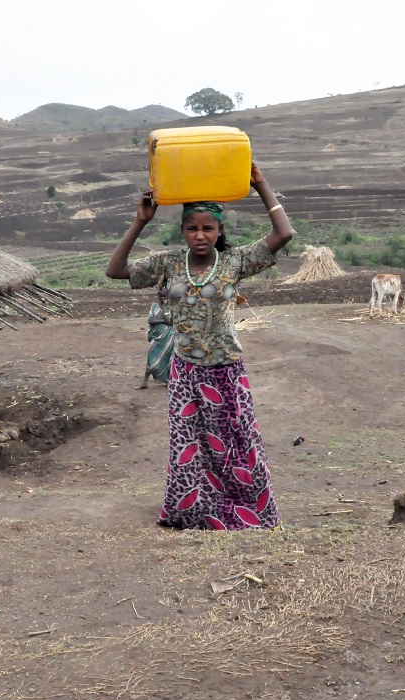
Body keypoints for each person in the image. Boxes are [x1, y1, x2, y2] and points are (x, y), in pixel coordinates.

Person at [105, 163, 295, 530]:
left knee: (237, 444)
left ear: (220, 230)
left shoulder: (235, 262)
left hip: (226, 371)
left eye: (208, 228)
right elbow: (115, 271)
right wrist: (140, 221)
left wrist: (261, 185)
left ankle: (247, 511)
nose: (200, 235)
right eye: (192, 228)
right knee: (188, 448)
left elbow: (284, 233)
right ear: (183, 231)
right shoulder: (170, 263)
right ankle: (193, 512)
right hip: (185, 372)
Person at [139, 284, 174, 389]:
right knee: (151, 357)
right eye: (161, 297)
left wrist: (164, 309)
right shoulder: (154, 306)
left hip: (168, 336)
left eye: (165, 297)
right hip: (156, 336)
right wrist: (163, 320)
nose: (163, 299)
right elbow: (150, 320)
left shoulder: (170, 308)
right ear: (158, 296)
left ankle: (168, 381)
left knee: (168, 359)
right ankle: (144, 382)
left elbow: (170, 322)